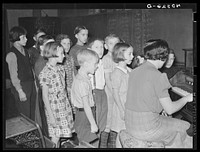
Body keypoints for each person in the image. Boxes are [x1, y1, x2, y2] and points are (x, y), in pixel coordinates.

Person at [125, 39, 193, 148]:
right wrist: (186, 98)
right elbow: (170, 109)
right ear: (163, 57)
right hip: (147, 127)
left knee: (173, 122)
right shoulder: (158, 76)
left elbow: (145, 97)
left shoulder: (134, 71)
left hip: (130, 123)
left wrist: (161, 108)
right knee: (187, 127)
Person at [39, 41, 74, 147]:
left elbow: (63, 88)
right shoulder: (45, 73)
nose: (64, 55)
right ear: (53, 53)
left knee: (60, 134)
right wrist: (51, 117)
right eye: (61, 53)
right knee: (56, 135)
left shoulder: (60, 68)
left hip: (63, 104)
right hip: (54, 108)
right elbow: (45, 97)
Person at [6, 26, 36, 120]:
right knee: (25, 114)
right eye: (23, 37)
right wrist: (20, 91)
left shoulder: (25, 51)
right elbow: (13, 76)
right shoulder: (12, 54)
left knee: (32, 112)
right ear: (16, 38)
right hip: (21, 86)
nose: (26, 39)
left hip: (30, 84)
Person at [71, 48, 99, 147]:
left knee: (89, 142)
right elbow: (86, 105)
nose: (97, 66)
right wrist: (93, 123)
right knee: (89, 144)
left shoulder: (82, 77)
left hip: (85, 113)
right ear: (86, 64)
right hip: (84, 115)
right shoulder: (82, 82)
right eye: (95, 63)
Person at [110, 42, 134, 148]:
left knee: (127, 133)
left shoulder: (128, 70)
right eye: (130, 54)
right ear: (121, 54)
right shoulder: (116, 73)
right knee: (121, 133)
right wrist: (121, 110)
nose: (132, 56)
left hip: (129, 105)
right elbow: (115, 93)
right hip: (121, 106)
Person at [87, 38, 108, 148]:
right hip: (93, 93)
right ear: (89, 49)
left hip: (102, 92)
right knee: (94, 125)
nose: (100, 50)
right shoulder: (89, 63)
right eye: (97, 47)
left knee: (102, 124)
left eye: (101, 47)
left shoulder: (102, 61)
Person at [101, 34, 121, 148]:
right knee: (108, 122)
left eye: (116, 43)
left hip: (117, 93)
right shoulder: (106, 59)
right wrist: (114, 94)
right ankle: (103, 145)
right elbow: (107, 79)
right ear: (106, 46)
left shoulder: (118, 58)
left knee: (116, 121)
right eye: (111, 43)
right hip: (110, 94)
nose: (114, 46)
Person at [34, 35, 55, 138]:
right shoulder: (40, 63)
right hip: (46, 96)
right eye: (50, 44)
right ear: (42, 48)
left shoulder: (50, 60)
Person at [55, 34, 76, 118]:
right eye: (64, 43)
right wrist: (67, 88)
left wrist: (74, 86)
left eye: (68, 43)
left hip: (72, 87)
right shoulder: (58, 59)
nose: (67, 46)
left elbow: (73, 73)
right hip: (64, 88)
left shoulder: (70, 57)